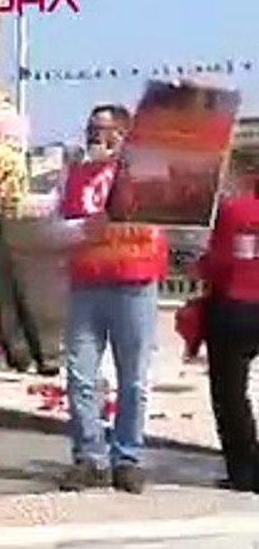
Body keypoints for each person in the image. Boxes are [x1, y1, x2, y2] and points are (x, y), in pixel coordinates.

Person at [57, 105, 167, 494]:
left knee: (133, 379)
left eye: (105, 130)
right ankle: (90, 457)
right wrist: (83, 229)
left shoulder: (149, 174)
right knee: (80, 375)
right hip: (87, 285)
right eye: (91, 128)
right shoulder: (73, 175)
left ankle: (127, 459)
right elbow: (57, 227)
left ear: (124, 135)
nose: (95, 136)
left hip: (134, 283)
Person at [196, 182, 259, 492]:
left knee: (230, 393)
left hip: (236, 306)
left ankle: (245, 472)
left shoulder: (236, 209)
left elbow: (218, 262)